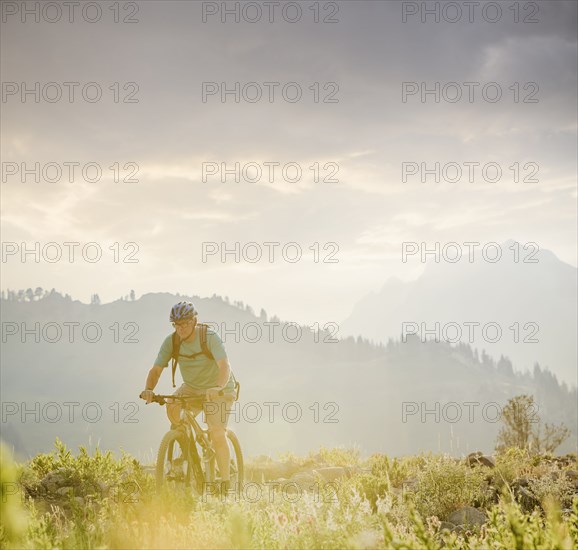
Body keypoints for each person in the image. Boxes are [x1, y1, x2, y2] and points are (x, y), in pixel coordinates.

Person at [139, 301, 236, 494]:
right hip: (191, 388)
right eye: (176, 324)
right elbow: (156, 369)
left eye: (184, 323)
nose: (180, 328)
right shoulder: (172, 341)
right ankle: (184, 444)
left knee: (217, 433)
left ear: (194, 321)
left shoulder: (209, 337)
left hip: (219, 388)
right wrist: (149, 389)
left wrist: (217, 387)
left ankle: (225, 483)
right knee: (172, 405)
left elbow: (225, 366)